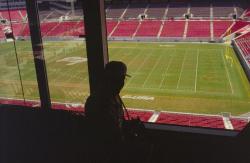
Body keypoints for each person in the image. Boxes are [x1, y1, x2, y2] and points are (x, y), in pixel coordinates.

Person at [84, 61, 130, 162]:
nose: (123, 82)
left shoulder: (113, 95)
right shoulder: (99, 101)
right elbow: (105, 134)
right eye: (121, 78)